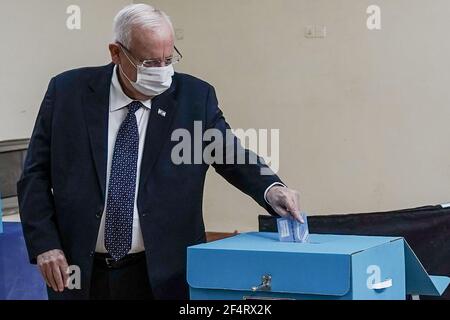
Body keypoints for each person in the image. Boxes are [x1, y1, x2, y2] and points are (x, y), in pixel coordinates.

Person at [17, 3, 302, 300]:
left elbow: (230, 153)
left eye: (169, 59)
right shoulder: (68, 92)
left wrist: (271, 188)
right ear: (116, 53)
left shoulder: (193, 98)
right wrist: (45, 244)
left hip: (162, 274)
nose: (163, 72)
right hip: (79, 273)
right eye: (149, 63)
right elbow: (35, 174)